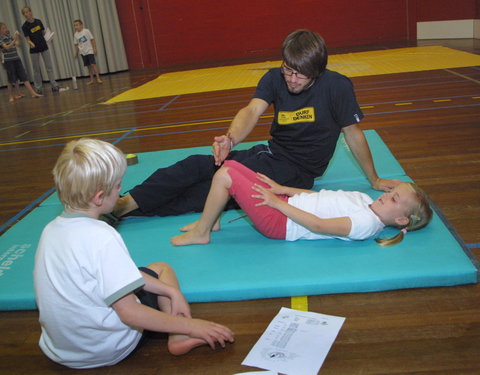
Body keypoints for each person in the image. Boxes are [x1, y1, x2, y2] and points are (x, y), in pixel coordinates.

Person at [112, 29, 400, 219]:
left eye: (300, 75)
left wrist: (374, 179)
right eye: (288, 70)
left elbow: (353, 133)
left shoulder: (337, 87)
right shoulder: (274, 78)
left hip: (295, 174)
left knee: (206, 191)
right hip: (269, 155)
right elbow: (251, 111)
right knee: (194, 165)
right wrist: (231, 139)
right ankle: (125, 204)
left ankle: (125, 209)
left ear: (317, 70)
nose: (291, 79)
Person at [34, 138, 234, 369]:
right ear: (99, 197)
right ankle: (180, 336)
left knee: (152, 280)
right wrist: (193, 326)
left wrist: (169, 292)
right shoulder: (102, 236)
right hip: (105, 349)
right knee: (162, 268)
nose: (121, 190)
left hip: (62, 350)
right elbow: (130, 313)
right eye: (119, 186)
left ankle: (172, 310)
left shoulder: (51, 230)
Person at [171, 160, 432, 246]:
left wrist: (276, 203)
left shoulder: (366, 224)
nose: (387, 194)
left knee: (225, 176)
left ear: (401, 220)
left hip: (282, 222)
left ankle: (202, 232)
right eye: (392, 190)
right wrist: (282, 190)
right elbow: (319, 197)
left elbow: (318, 225)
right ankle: (212, 220)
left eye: (394, 198)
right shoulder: (365, 201)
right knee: (231, 165)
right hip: (287, 204)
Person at [21, 6, 61, 93]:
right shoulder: (25, 26)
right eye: (25, 13)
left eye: (28, 12)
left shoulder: (38, 21)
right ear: (23, 15)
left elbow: (43, 33)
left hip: (43, 46)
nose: (27, 14)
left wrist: (49, 37)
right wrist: (31, 43)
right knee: (36, 70)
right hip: (34, 49)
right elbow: (27, 39)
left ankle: (54, 85)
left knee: (49, 67)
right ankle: (38, 88)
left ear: (31, 12)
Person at [0, 23, 43, 102]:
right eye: (3, 28)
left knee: (24, 76)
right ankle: (11, 96)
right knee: (11, 79)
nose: (5, 29)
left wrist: (18, 38)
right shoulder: (1, 39)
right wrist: (15, 39)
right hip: (8, 61)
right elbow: (7, 47)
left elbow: (18, 44)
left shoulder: (9, 37)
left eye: (5, 27)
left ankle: (33, 93)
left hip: (16, 59)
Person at [73, 19, 102, 85]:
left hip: (89, 50)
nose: (76, 27)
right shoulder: (75, 35)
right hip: (82, 52)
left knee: (93, 64)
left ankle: (98, 78)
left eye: (77, 25)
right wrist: (76, 53)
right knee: (88, 66)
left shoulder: (86, 31)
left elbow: (92, 39)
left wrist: (94, 48)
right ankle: (91, 79)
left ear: (81, 25)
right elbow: (76, 44)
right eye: (75, 25)